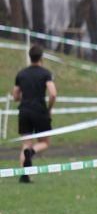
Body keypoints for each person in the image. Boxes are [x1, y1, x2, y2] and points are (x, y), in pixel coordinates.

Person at [12, 44, 58, 184]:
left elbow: (15, 95)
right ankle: (31, 153)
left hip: (24, 111)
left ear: (30, 57)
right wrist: (49, 108)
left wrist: (24, 98)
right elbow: (53, 94)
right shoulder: (45, 73)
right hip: (39, 111)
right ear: (41, 57)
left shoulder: (21, 74)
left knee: (26, 144)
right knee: (44, 142)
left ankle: (24, 176)